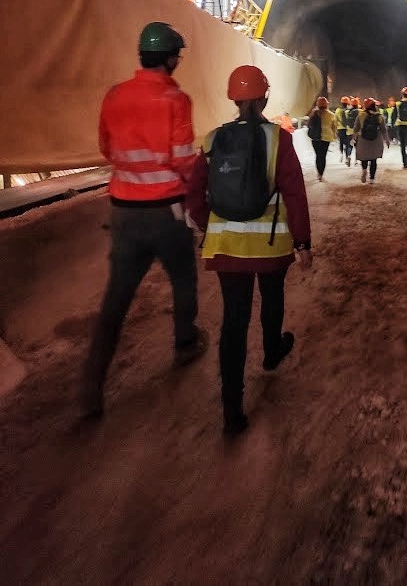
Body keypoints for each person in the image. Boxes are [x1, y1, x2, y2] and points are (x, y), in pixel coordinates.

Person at [81, 22, 207, 419]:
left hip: (123, 212)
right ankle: (185, 343)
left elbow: (106, 147)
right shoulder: (176, 99)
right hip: (166, 211)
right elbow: (182, 158)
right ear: (170, 59)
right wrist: (198, 187)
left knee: (116, 298)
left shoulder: (114, 95)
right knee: (183, 280)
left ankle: (90, 385)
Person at [187, 64, 312, 435]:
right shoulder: (278, 139)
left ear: (234, 99)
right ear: (264, 97)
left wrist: (209, 224)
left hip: (226, 246)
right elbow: (295, 193)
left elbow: (194, 194)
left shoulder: (213, 139)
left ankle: (232, 410)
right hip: (270, 245)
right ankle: (272, 351)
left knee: (234, 321)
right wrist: (303, 241)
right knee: (272, 297)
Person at [352, 97, 390, 183]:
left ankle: (364, 170)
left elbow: (356, 128)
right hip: (376, 140)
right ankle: (372, 179)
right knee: (373, 159)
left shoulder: (361, 115)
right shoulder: (380, 116)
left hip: (363, 139)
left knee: (364, 157)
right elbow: (384, 130)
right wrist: (387, 140)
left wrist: (353, 138)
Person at [307, 96, 336, 181]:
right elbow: (333, 127)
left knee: (318, 155)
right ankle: (321, 174)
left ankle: (319, 172)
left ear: (317, 104)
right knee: (323, 156)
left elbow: (309, 125)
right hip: (326, 138)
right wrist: (334, 136)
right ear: (326, 104)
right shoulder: (331, 115)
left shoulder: (313, 113)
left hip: (315, 138)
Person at [334, 95, 350, 163]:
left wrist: (335, 129)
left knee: (341, 142)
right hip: (348, 129)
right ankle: (347, 156)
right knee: (347, 143)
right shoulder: (349, 111)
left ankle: (341, 154)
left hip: (340, 129)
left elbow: (335, 120)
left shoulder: (338, 110)